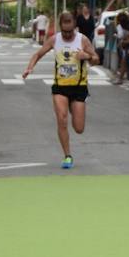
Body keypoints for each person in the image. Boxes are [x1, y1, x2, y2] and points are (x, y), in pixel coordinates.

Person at [23, 11, 98, 169]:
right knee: (62, 120)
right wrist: (29, 68)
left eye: (70, 31)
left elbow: (96, 59)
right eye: (64, 31)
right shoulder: (55, 39)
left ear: (75, 28)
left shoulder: (82, 39)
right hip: (60, 87)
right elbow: (38, 54)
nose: (67, 34)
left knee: (79, 128)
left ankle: (74, 108)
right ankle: (67, 155)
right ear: (60, 27)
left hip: (79, 87)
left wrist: (87, 56)